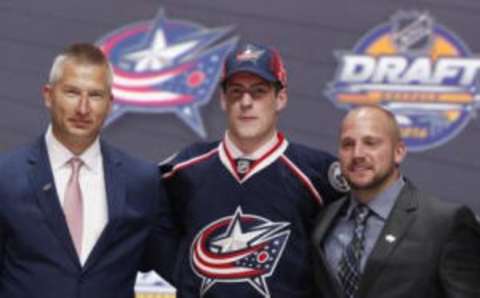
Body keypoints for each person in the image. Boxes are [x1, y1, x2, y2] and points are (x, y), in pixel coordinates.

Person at [160, 42, 348, 298]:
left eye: (258, 92)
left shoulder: (318, 172)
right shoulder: (184, 167)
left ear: (280, 98)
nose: (246, 102)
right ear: (223, 100)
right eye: (236, 92)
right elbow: (152, 232)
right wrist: (186, 276)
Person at [0, 43, 176, 298]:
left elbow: (178, 266)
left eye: (95, 95)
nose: (83, 108)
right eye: (72, 93)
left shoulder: (142, 181)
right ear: (48, 95)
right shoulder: (6, 177)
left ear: (110, 102)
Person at [312, 105, 480, 298]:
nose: (357, 154)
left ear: (399, 151)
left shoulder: (445, 223)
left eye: (371, 143)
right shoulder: (323, 220)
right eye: (348, 144)